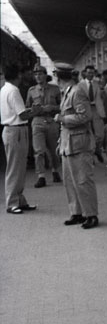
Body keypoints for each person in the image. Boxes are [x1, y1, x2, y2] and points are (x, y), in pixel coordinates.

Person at [54, 62, 99, 229]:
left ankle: (91, 215)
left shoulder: (77, 92)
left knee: (82, 180)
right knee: (69, 181)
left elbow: (85, 116)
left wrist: (62, 119)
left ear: (59, 78)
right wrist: (60, 142)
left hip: (79, 143)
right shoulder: (67, 92)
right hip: (68, 143)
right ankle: (77, 213)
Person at [1, 64, 39, 214]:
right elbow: (22, 115)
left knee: (19, 167)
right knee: (15, 168)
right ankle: (12, 202)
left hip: (11, 129)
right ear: (17, 75)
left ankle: (19, 200)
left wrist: (29, 111)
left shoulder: (5, 89)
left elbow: (16, 111)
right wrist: (35, 111)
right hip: (16, 130)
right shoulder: (14, 91)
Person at [26, 65, 62, 188]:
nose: (38, 76)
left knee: (54, 150)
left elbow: (62, 106)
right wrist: (33, 109)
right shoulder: (31, 90)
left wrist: (52, 107)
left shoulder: (55, 89)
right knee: (39, 150)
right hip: (37, 121)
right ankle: (41, 176)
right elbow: (27, 108)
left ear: (46, 75)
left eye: (40, 74)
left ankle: (55, 170)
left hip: (52, 121)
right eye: (36, 74)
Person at [78, 65, 107, 163]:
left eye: (92, 73)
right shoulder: (80, 85)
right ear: (85, 73)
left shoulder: (97, 84)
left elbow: (101, 97)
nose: (90, 74)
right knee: (88, 133)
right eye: (88, 72)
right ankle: (90, 155)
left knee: (100, 134)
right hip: (85, 109)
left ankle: (97, 149)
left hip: (96, 109)